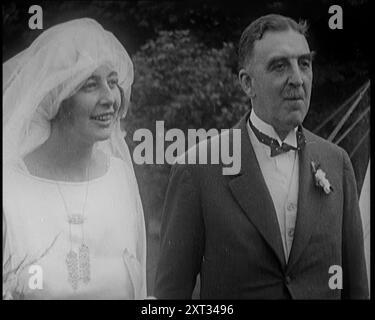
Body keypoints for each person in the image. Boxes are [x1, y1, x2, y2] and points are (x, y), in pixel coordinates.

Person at [154, 14, 369, 299]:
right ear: (247, 83)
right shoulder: (197, 169)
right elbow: (169, 298)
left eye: (304, 64)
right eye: (280, 66)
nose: (297, 79)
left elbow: (356, 290)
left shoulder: (336, 162)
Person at [3, 18, 147, 299]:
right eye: (90, 85)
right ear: (57, 97)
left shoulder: (119, 177)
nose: (110, 98)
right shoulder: (10, 189)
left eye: (113, 82)